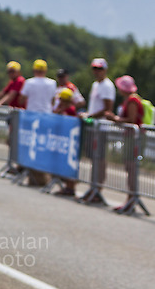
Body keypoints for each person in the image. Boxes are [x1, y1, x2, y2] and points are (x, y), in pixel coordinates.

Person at [79, 58, 116, 203]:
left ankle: (98, 188)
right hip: (93, 126)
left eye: (99, 69)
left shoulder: (107, 85)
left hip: (101, 127)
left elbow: (107, 109)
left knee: (99, 158)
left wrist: (90, 116)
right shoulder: (95, 84)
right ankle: (93, 186)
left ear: (105, 70)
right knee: (94, 158)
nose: (96, 71)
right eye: (94, 68)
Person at [105, 75, 143, 213]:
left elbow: (132, 120)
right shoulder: (129, 99)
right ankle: (130, 198)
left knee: (131, 169)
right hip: (129, 137)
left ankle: (131, 199)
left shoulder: (132, 100)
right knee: (129, 169)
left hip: (133, 138)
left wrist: (115, 118)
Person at [19, 59, 57, 185]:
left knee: (31, 146)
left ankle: (34, 177)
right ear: (45, 71)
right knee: (43, 147)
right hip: (47, 118)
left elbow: (22, 99)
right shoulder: (52, 83)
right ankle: (38, 177)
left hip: (32, 118)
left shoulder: (29, 82)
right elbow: (52, 101)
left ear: (34, 70)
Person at [53, 88, 79, 196]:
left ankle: (70, 186)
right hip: (63, 140)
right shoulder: (63, 108)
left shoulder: (70, 110)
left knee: (69, 164)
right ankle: (67, 185)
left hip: (70, 141)